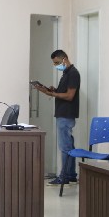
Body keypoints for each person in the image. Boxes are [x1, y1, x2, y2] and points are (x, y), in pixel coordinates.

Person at [33, 49, 81, 185]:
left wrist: (52, 94)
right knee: (69, 146)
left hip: (66, 115)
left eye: (57, 63)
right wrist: (51, 90)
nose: (56, 66)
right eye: (54, 63)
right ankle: (71, 174)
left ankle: (64, 176)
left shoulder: (73, 73)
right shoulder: (66, 74)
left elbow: (70, 96)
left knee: (65, 147)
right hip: (63, 114)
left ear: (64, 59)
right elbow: (64, 93)